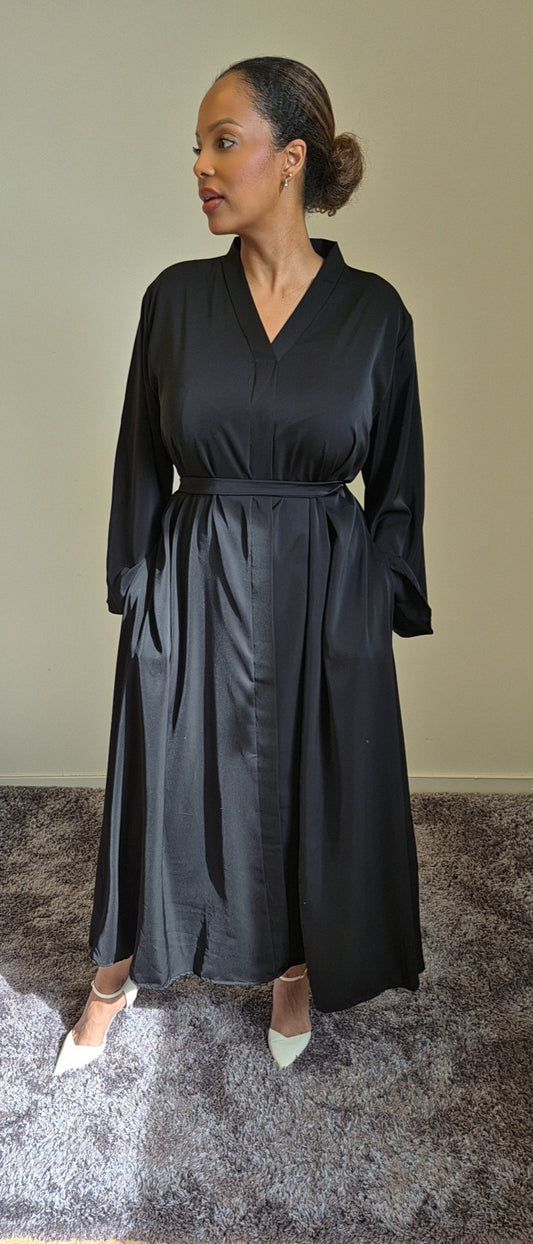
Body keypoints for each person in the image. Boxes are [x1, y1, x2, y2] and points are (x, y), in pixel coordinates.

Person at [54, 55, 432, 1076]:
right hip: (190, 571)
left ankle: (295, 968)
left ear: (290, 158)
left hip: (324, 582)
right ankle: (114, 970)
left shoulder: (371, 315)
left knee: (310, 782)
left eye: (223, 141)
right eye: (196, 146)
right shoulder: (175, 299)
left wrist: (382, 601)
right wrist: (132, 581)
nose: (200, 166)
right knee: (163, 776)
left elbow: (396, 475)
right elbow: (142, 451)